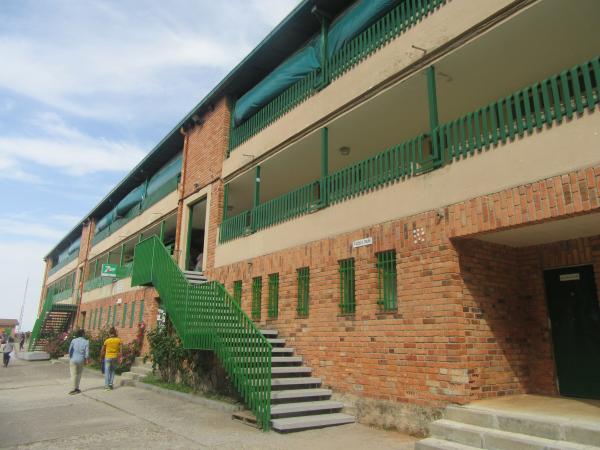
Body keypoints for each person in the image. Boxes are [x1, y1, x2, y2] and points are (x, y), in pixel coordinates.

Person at [68, 329, 89, 395]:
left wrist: (70, 357)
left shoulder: (73, 340)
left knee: (73, 374)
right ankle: (77, 388)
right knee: (79, 374)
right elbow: (87, 353)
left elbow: (70, 350)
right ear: (83, 334)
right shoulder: (86, 341)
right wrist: (86, 360)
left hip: (73, 359)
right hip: (81, 359)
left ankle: (73, 389)